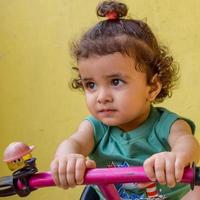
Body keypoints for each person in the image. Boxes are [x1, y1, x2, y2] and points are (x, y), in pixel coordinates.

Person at [50, 1, 200, 199]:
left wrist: (176, 158)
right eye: (91, 85)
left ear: (153, 87)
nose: (102, 97)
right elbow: (74, 143)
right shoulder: (95, 128)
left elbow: (187, 143)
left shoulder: (168, 125)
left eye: (116, 81)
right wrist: (66, 159)